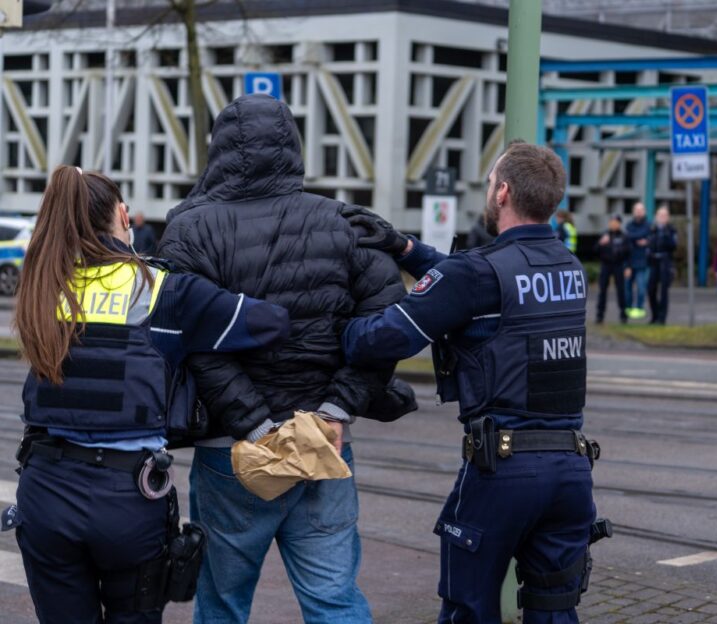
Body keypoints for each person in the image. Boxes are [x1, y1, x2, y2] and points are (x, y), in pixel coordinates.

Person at [158, 94, 409, 624]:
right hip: (324, 442)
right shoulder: (343, 221)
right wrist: (336, 410)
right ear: (294, 148)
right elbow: (387, 323)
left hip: (231, 449)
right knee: (334, 599)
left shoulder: (190, 229)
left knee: (222, 604)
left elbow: (191, 338)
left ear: (218, 150)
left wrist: (256, 425)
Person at [11, 166, 290, 624]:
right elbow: (270, 323)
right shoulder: (165, 290)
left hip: (44, 493)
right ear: (124, 215)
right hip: (127, 500)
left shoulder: (42, 288)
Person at [343, 142, 599, 624]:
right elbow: (477, 279)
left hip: (502, 471)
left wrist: (331, 323)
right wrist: (407, 249)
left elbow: (376, 341)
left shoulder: (477, 275)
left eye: (489, 182)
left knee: (469, 610)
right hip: (571, 472)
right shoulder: (569, 268)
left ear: (502, 192)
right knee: (555, 611)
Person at [595, 214, 630, 324]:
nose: (613, 224)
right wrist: (601, 243)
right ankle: (600, 315)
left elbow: (629, 253)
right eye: (611, 222)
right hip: (606, 265)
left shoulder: (624, 236)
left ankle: (623, 315)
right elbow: (595, 250)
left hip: (619, 265)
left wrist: (628, 267)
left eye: (616, 222)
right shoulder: (605, 234)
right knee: (602, 291)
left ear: (619, 224)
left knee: (621, 290)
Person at [647, 205, 677, 325]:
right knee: (651, 289)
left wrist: (665, 234)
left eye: (664, 215)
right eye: (660, 215)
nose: (662, 218)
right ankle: (654, 315)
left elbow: (673, 245)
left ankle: (662, 318)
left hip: (665, 262)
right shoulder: (652, 229)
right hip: (654, 261)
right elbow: (649, 243)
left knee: (664, 291)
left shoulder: (671, 230)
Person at [624, 202, 650, 319]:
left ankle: (639, 309)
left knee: (641, 288)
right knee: (628, 289)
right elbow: (628, 237)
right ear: (634, 211)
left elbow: (644, 234)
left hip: (642, 262)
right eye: (637, 210)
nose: (639, 212)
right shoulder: (629, 225)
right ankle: (628, 308)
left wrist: (635, 237)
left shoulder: (648, 225)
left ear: (644, 212)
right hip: (629, 262)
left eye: (641, 210)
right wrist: (639, 238)